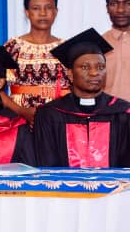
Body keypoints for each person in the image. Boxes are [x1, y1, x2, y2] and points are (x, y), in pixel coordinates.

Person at [33, 28, 130, 168]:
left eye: (101, 67)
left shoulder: (122, 113)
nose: (94, 73)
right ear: (70, 74)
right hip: (62, 183)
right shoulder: (50, 114)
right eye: (85, 67)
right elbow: (46, 165)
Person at [2, 0, 70, 125]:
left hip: (59, 122)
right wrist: (22, 111)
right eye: (36, 8)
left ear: (56, 12)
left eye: (48, 8)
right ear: (27, 12)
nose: (43, 13)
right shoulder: (13, 47)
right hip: (20, 121)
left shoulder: (66, 48)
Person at [102, 0, 130, 100]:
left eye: (128, 3)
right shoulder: (98, 44)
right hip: (109, 110)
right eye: (114, 4)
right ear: (107, 8)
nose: (120, 10)